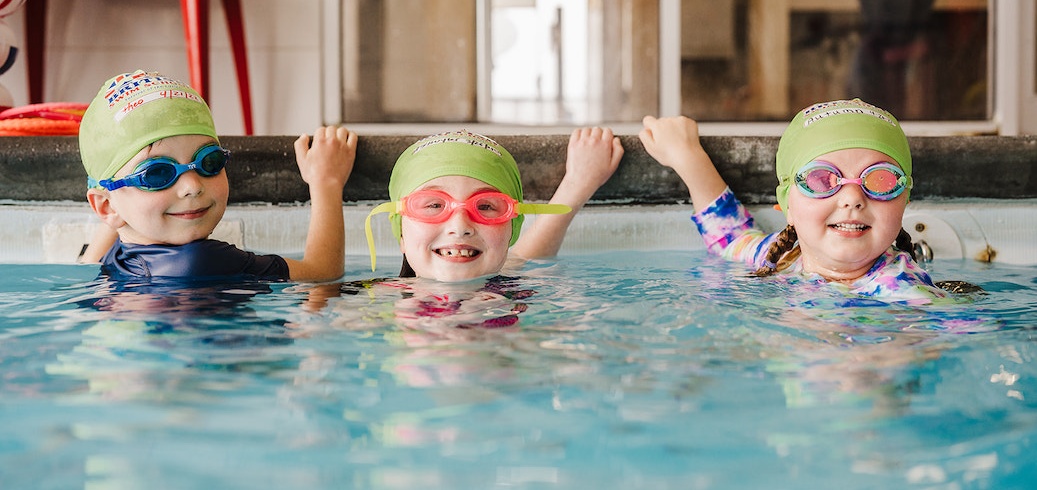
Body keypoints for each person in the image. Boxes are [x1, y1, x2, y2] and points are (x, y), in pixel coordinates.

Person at [639, 98, 948, 302]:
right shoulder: (782, 257)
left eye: (880, 180)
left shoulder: (908, 295)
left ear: (904, 199)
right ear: (787, 206)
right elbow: (729, 236)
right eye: (821, 180)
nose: (852, 198)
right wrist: (687, 156)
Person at [78, 70, 356, 282]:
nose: (192, 186)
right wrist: (326, 181)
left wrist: (116, 199)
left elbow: (88, 264)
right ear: (106, 206)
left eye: (209, 162)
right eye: (157, 174)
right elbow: (322, 273)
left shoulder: (116, 258)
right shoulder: (201, 261)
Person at [363, 127, 623, 282]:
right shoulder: (368, 306)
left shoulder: (511, 293)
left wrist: (578, 183)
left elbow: (523, 256)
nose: (460, 227)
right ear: (400, 233)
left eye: (486, 207)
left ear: (512, 230)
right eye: (433, 206)